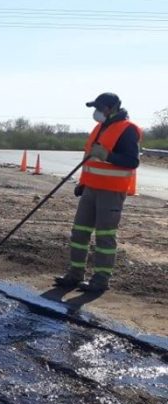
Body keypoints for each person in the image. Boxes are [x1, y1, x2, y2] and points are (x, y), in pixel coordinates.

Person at [54, 93, 141, 293]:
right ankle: (74, 275)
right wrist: (83, 183)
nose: (97, 111)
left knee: (104, 236)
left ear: (112, 108)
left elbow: (132, 161)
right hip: (91, 189)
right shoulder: (100, 127)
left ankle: (100, 280)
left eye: (100, 107)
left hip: (111, 191)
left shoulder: (128, 130)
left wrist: (107, 155)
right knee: (79, 232)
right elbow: (91, 161)